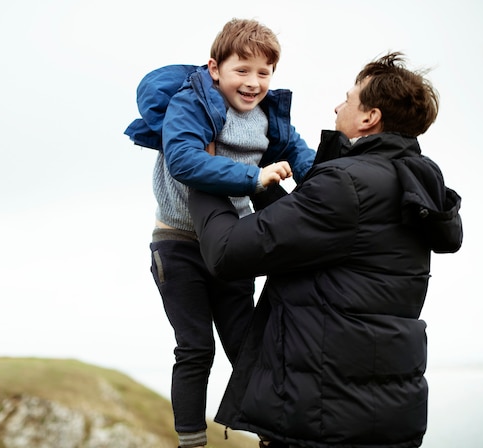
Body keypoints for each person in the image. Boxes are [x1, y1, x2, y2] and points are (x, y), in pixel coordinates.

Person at [188, 52, 463, 448]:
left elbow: (227, 252)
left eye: (349, 99)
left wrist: (204, 172)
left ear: (370, 117)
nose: (338, 106)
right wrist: (257, 180)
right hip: (384, 418)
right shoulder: (409, 182)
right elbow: (310, 228)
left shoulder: (348, 184)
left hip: (320, 421)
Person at [124, 18, 316, 448]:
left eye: (263, 73)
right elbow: (185, 162)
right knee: (195, 348)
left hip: (230, 242)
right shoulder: (190, 105)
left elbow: (304, 160)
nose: (253, 83)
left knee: (249, 345)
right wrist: (255, 179)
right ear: (215, 69)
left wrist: (340, 185)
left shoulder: (269, 118)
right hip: (177, 243)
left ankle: (273, 432)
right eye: (241, 70)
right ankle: (192, 441)